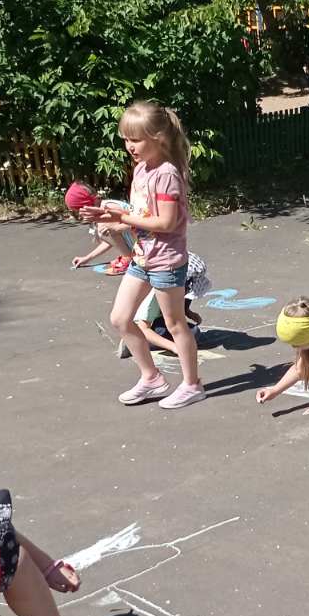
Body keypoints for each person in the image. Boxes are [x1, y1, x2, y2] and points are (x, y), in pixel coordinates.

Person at [79, 102, 204, 410]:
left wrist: (122, 219)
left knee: (175, 324)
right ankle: (152, 378)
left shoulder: (166, 174)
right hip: (142, 257)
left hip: (166, 261)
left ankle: (192, 385)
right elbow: (142, 214)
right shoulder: (141, 170)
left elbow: (166, 223)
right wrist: (111, 216)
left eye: (135, 140)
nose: (129, 146)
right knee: (120, 319)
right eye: (125, 139)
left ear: (158, 138)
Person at [66, 180, 139, 276]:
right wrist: (87, 258)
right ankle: (127, 255)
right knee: (103, 230)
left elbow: (139, 222)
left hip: (144, 239)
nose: (80, 216)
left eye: (78, 212)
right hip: (136, 241)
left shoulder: (109, 207)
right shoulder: (101, 210)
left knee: (103, 228)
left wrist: (117, 229)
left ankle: (128, 258)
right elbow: (111, 241)